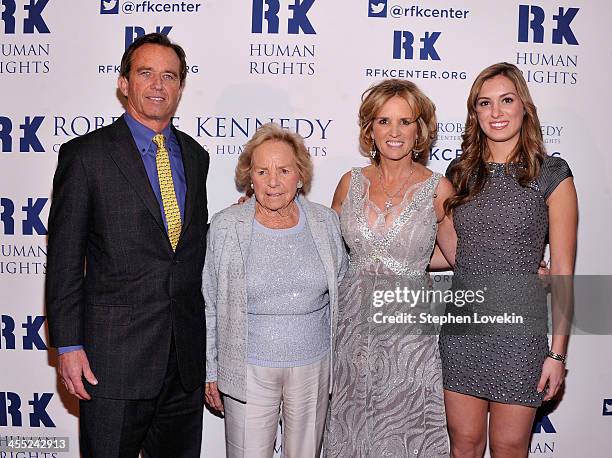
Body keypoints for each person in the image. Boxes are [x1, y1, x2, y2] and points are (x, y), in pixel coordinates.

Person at [45, 33, 209, 457]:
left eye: (169, 76)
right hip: (112, 363)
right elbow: (64, 259)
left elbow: (187, 251)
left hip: (183, 364)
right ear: (124, 83)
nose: (158, 85)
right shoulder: (85, 156)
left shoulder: (195, 156)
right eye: (146, 73)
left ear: (180, 87)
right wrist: (68, 345)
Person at [438, 62, 577, 457]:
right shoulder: (460, 173)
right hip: (463, 329)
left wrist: (557, 354)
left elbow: (564, 270)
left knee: (510, 446)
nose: (496, 112)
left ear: (524, 108)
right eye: (485, 103)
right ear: (475, 113)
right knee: (463, 445)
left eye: (506, 100)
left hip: (519, 336)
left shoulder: (552, 174)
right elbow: (454, 251)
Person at [326, 79, 456, 457]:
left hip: (408, 339)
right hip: (351, 332)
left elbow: (459, 255)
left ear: (420, 130)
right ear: (370, 128)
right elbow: (324, 247)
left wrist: (521, 265)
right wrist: (260, 216)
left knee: (404, 434)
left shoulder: (438, 188)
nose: (394, 132)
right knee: (352, 431)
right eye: (384, 121)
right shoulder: (349, 183)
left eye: (405, 121)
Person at [203, 123, 348, 458]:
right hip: (246, 368)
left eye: (284, 170)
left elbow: (342, 285)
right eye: (262, 170)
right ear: (248, 177)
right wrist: (211, 369)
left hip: (314, 366)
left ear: (300, 175)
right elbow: (211, 302)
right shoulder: (226, 226)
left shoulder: (326, 222)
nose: (273, 181)